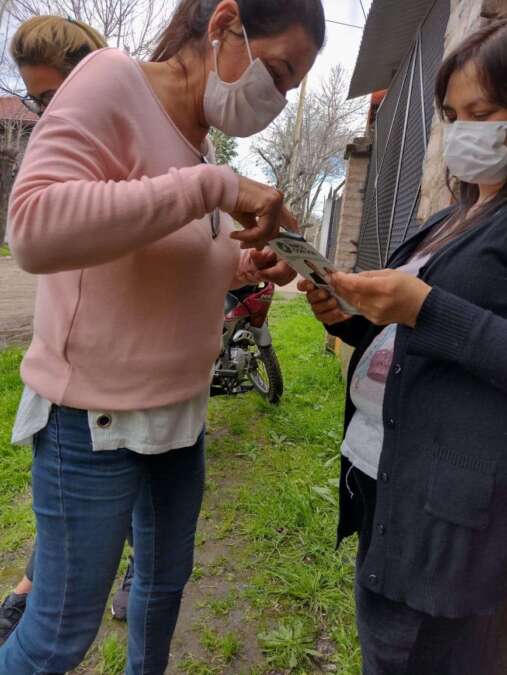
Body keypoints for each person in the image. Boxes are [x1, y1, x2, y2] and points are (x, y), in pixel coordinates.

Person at [0, 1, 326, 673]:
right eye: (279, 72)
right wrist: (217, 185)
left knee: (160, 590)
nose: (278, 97)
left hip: (179, 415)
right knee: (58, 634)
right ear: (224, 23)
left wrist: (244, 266)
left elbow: (161, 255)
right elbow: (32, 228)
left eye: (291, 88)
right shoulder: (111, 77)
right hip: (94, 419)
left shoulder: (195, 137)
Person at [301, 19, 507, 675]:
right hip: (390, 486)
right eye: (452, 114)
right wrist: (350, 322)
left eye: (484, 112)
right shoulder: (452, 216)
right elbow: (417, 339)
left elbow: (438, 321)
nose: (465, 130)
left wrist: (423, 306)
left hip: (452, 525)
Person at [0, 15, 109, 647]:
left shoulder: (122, 128)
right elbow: (31, 238)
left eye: (54, 96)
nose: (49, 114)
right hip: (76, 372)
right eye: (39, 101)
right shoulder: (60, 148)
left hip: (134, 369)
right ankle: (27, 591)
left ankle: (28, 589)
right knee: (60, 621)